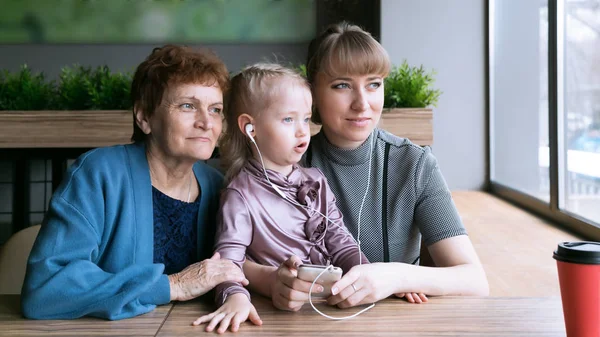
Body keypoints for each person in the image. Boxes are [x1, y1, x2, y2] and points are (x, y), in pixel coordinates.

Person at [243, 22, 489, 311]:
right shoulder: (279, 163)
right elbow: (232, 258)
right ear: (312, 92)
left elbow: (475, 281)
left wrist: (398, 276)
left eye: (374, 84)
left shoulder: (414, 164)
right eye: (342, 86)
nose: (362, 104)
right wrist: (271, 281)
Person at [21, 45, 248, 320]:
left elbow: (241, 266)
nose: (206, 122)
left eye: (215, 109)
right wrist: (172, 285)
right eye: (188, 105)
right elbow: (46, 290)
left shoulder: (219, 186)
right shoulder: (98, 173)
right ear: (144, 117)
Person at [192, 63, 369, 333]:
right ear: (251, 129)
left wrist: (371, 277)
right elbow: (228, 261)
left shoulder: (316, 180)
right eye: (288, 119)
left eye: (306, 119)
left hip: (328, 310)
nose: (302, 132)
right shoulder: (240, 194)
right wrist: (235, 298)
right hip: (278, 317)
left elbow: (341, 243)